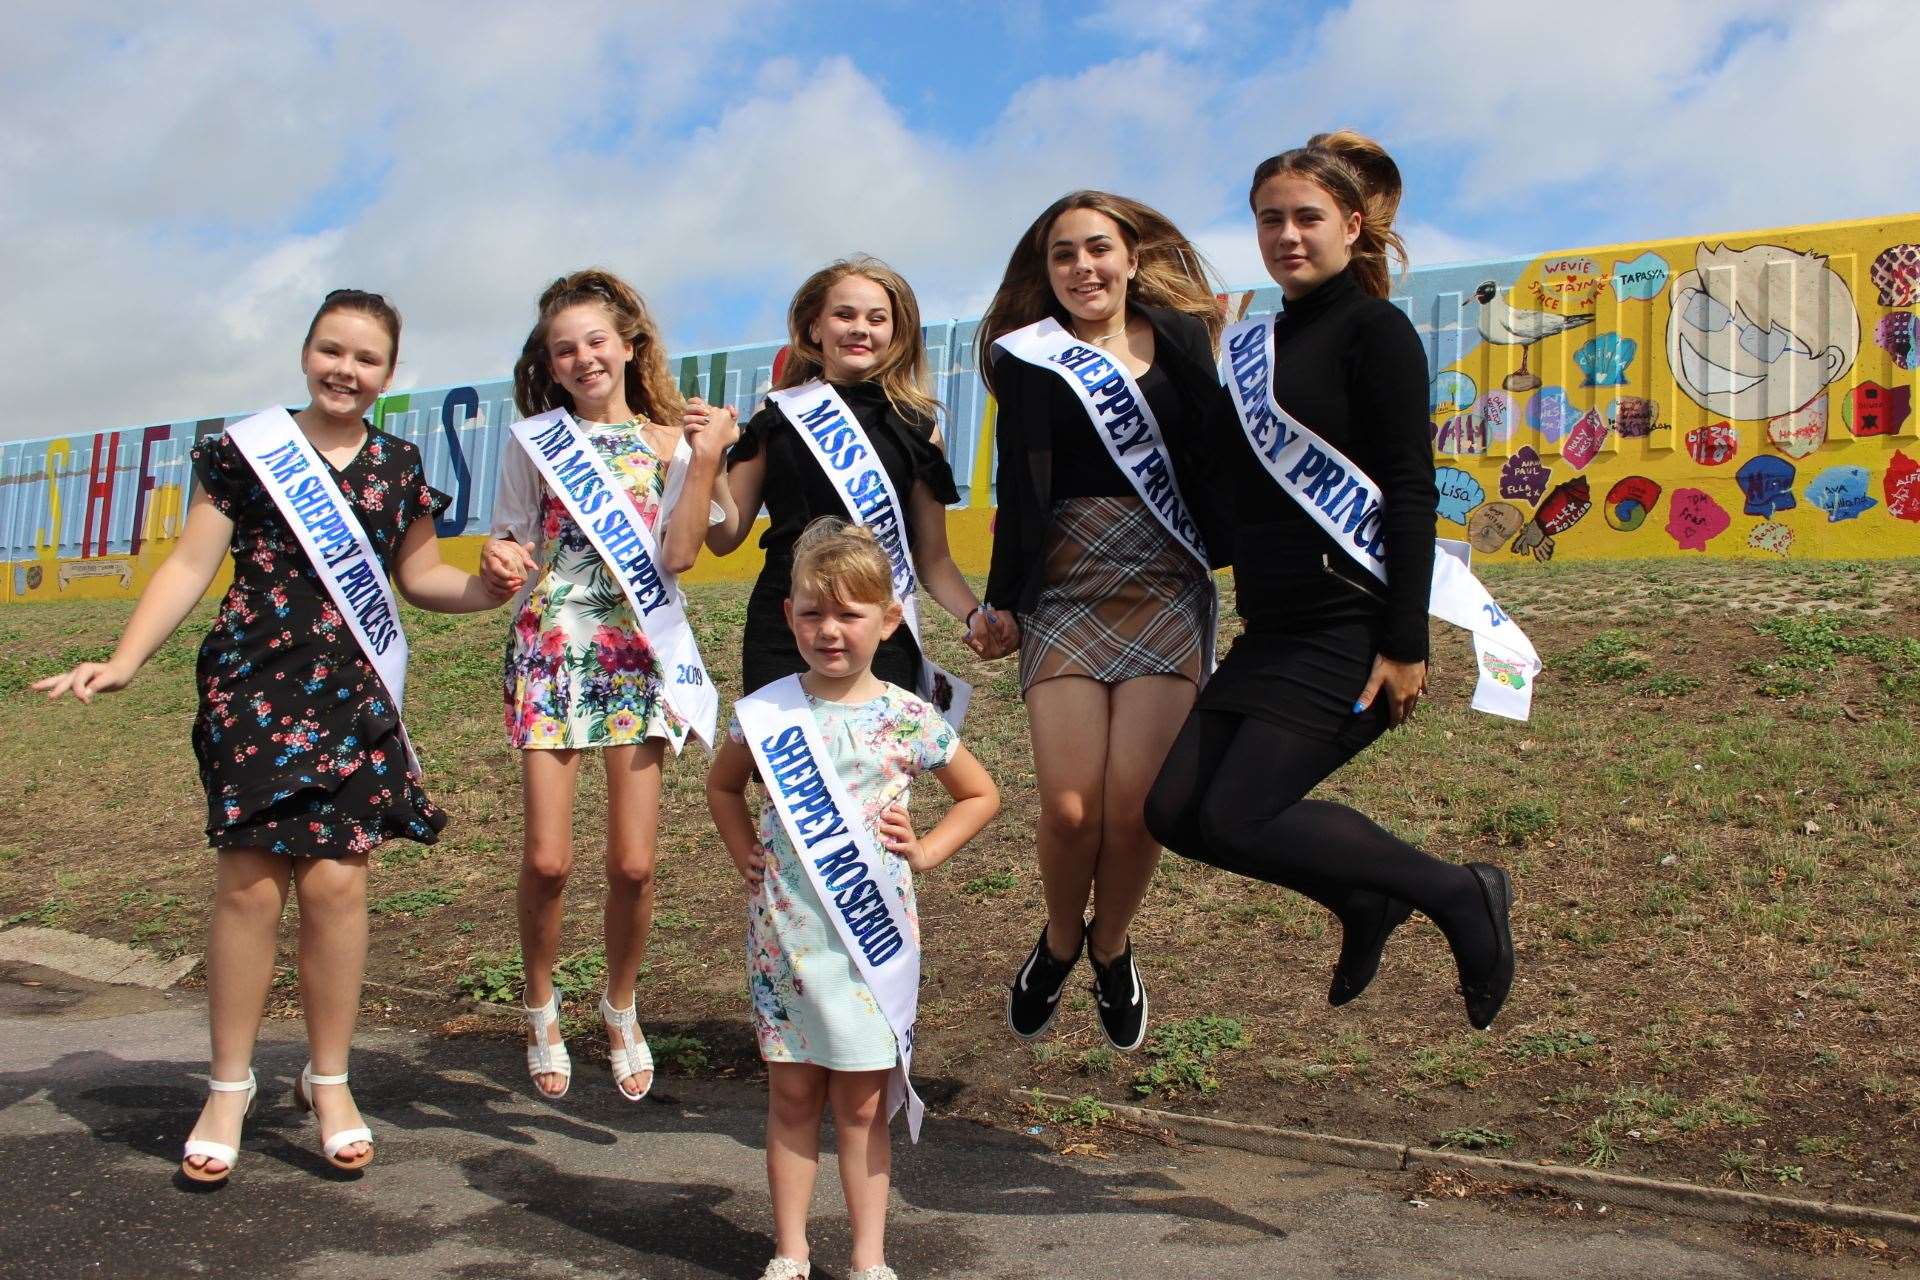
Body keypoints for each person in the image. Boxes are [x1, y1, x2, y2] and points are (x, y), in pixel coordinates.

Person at [35, 289, 509, 1182]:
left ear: (390, 375)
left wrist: (483, 591)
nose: (347, 370)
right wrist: (125, 659)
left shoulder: (400, 465)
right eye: (332, 351)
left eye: (367, 359)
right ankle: (227, 1084)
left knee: (337, 886)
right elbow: (188, 562)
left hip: (351, 693)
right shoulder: (247, 453)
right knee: (250, 887)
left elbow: (419, 579)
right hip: (252, 687)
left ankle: (329, 1080)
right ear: (305, 352)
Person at [1142, 131, 1515, 1028]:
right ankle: (1362, 899)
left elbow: (1411, 488)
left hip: (1348, 625)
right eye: (1270, 220)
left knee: (1235, 816)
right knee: (1174, 812)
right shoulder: (1256, 345)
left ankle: (1460, 893)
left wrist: (1405, 642)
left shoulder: (1374, 330)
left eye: (1308, 218)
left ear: (1353, 226)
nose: (1288, 236)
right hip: (1271, 627)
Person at [707, 519, 999, 1280]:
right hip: (786, 936)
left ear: (889, 620)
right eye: (812, 613)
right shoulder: (766, 712)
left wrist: (928, 849)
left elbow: (979, 794)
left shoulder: (907, 714)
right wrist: (744, 848)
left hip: (872, 940)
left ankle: (870, 1258)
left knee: (864, 1107)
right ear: (790, 618)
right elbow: (722, 785)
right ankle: (792, 1250)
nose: (829, 630)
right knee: (794, 1096)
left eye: (848, 614)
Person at [977, 191, 1231, 1052]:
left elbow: (1219, 458)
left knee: (1135, 809)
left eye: (1097, 249)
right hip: (1066, 584)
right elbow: (1021, 485)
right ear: (1046, 272)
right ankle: (1057, 942)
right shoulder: (1029, 359)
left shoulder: (1186, 343)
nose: (1083, 268)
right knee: (1071, 808)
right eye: (1063, 255)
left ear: (1130, 257)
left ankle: (1112, 946)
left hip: (1166, 579)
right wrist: (1003, 599)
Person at [478, 269, 736, 1103]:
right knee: (548, 861)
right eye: (565, 349)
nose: (584, 357)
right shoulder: (533, 441)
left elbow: (689, 553)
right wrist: (498, 556)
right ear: (549, 366)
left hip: (639, 652)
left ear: (629, 346)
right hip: (553, 648)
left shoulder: (678, 443)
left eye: (596, 341)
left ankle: (621, 1006)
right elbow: (509, 539)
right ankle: (540, 1002)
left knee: (633, 865)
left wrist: (705, 459)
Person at [708, 255, 1009, 704]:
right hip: (788, 620)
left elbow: (933, 557)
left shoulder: (919, 427)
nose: (859, 328)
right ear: (815, 328)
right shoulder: (774, 419)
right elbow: (724, 538)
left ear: (896, 332)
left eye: (876, 318)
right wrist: (711, 462)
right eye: (843, 314)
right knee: (789, 774)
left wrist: (973, 615)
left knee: (875, 772)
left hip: (877, 627)